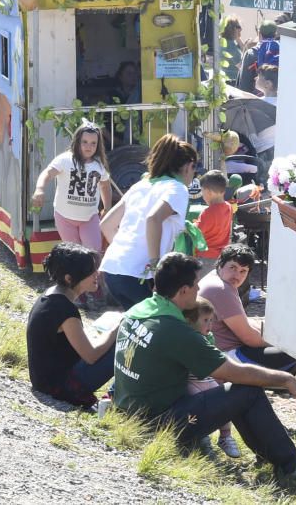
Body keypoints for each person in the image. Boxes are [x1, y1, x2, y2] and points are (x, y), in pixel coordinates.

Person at [113, 253, 296, 498]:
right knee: (247, 390)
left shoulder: (140, 309)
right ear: (184, 290)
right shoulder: (174, 330)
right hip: (157, 424)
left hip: (129, 411)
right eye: (196, 285)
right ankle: (293, 471)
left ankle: (269, 456)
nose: (199, 289)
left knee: (238, 392)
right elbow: (233, 372)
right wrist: (285, 379)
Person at [99, 134, 197, 309]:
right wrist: (155, 267)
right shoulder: (177, 188)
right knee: (154, 323)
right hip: (140, 273)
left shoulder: (140, 185)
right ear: (190, 166)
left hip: (113, 268)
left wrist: (127, 250)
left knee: (135, 323)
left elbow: (106, 224)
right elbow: (153, 219)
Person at [26, 243, 118, 407]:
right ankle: (115, 399)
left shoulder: (50, 295)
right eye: (90, 271)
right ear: (69, 278)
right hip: (57, 386)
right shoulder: (64, 309)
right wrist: (116, 330)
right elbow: (91, 356)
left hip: (43, 379)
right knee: (121, 346)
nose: (96, 274)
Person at [199, 244, 296, 373]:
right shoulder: (221, 289)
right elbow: (249, 339)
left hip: (215, 351)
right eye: (232, 267)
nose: (237, 275)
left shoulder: (214, 278)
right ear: (220, 264)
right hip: (225, 357)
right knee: (290, 356)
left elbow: (242, 322)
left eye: (243, 271)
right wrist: (280, 342)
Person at [32, 122, 112, 253]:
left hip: (89, 218)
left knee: (93, 254)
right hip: (64, 218)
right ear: (77, 141)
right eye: (84, 142)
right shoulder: (65, 160)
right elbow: (47, 173)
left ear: (98, 146)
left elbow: (105, 185)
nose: (89, 146)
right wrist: (39, 189)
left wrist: (107, 208)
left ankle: (94, 274)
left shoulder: (99, 165)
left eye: (93, 143)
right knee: (74, 255)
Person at [182, 297, 240, 458]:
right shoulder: (186, 337)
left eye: (211, 320)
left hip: (207, 378)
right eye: (205, 320)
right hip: (191, 379)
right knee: (196, 404)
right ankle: (201, 436)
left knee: (224, 402)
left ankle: (225, 436)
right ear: (190, 320)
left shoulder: (209, 338)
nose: (210, 325)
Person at [193, 170, 234, 270]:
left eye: (202, 191)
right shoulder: (229, 207)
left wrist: (188, 226)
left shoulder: (207, 213)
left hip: (205, 258)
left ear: (208, 192)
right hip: (221, 258)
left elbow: (196, 233)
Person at [237, 19, 281, 94]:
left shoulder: (251, 53)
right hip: (275, 97)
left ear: (259, 34)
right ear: (275, 35)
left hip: (255, 100)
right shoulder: (281, 51)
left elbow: (244, 83)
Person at [218, 16, 244, 83]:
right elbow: (243, 67)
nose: (241, 29)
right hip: (232, 82)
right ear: (232, 29)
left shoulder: (223, 41)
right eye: (238, 27)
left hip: (224, 79)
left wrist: (238, 38)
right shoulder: (230, 47)